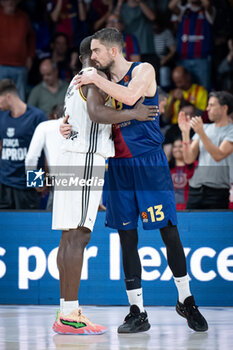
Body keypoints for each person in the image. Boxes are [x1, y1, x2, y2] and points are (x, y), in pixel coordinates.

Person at [75, 28, 208, 333]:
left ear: (112, 51)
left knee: (168, 232)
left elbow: (133, 96)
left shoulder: (142, 70)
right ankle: (137, 311)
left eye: (95, 52)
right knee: (127, 237)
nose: (91, 58)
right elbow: (93, 114)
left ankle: (186, 300)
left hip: (149, 162)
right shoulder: (100, 80)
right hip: (118, 166)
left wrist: (97, 80)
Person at [52, 35, 157, 335]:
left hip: (70, 156)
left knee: (68, 237)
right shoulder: (93, 77)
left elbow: (72, 118)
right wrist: (132, 113)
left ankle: (66, 310)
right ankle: (70, 314)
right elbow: (97, 113)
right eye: (97, 52)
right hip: (86, 157)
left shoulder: (75, 82)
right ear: (92, 56)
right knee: (79, 236)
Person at [178, 91, 233, 209]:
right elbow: (188, 159)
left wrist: (201, 132)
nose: (207, 109)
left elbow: (218, 155)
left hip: (218, 191)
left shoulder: (230, 131)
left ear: (224, 108)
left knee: (214, 227)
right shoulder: (205, 128)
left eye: (212, 105)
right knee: (190, 226)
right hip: (195, 189)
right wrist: (185, 133)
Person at [0, 79, 47, 209]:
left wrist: (39, 181)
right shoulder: (2, 116)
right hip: (4, 183)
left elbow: (44, 152)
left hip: (27, 185)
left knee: (28, 226)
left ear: (8, 96)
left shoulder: (37, 116)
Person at [168, 0, 215, 91]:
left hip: (202, 58)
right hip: (184, 58)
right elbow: (171, 6)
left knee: (204, 89)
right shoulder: (183, 10)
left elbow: (207, 4)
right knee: (184, 89)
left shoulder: (207, 10)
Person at [25, 104, 65, 211]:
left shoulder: (45, 126)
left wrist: (36, 182)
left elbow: (31, 157)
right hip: (84, 181)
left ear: (54, 116)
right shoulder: (84, 126)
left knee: (54, 223)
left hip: (59, 183)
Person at [0, 0, 35, 101]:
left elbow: (31, 37)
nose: (11, 2)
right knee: (1, 99)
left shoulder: (23, 17)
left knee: (19, 98)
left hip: (20, 65)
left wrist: (30, 56)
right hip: (1, 65)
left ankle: (19, 118)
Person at [169, 138, 196, 210]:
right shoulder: (167, 167)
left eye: (180, 146)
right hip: (171, 208)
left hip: (189, 207)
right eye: (175, 146)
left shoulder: (194, 166)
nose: (177, 149)